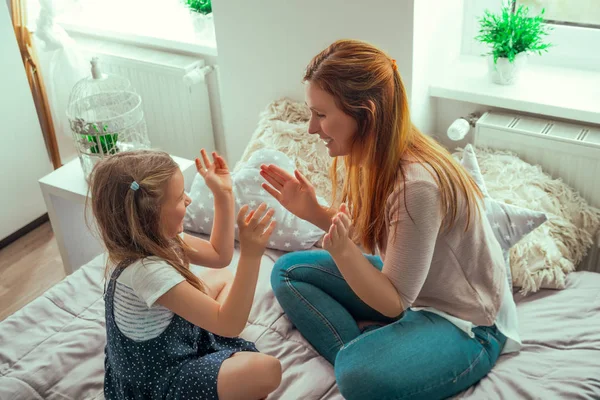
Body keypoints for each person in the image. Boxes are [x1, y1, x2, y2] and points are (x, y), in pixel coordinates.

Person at [261, 39, 520, 400]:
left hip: (465, 322)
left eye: (321, 115)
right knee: (287, 271)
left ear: (365, 114)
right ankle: (378, 353)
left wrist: (344, 254)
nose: (311, 128)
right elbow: (373, 240)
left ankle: (372, 358)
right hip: (408, 291)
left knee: (356, 377)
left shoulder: (416, 185)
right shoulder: (375, 157)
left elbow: (394, 301)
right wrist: (314, 212)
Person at [90, 149, 281, 400]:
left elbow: (218, 255)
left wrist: (223, 194)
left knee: (224, 278)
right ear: (151, 213)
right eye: (180, 197)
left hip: (172, 342)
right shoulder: (145, 272)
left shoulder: (154, 239)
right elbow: (231, 325)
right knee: (268, 370)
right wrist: (251, 255)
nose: (188, 200)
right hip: (160, 383)